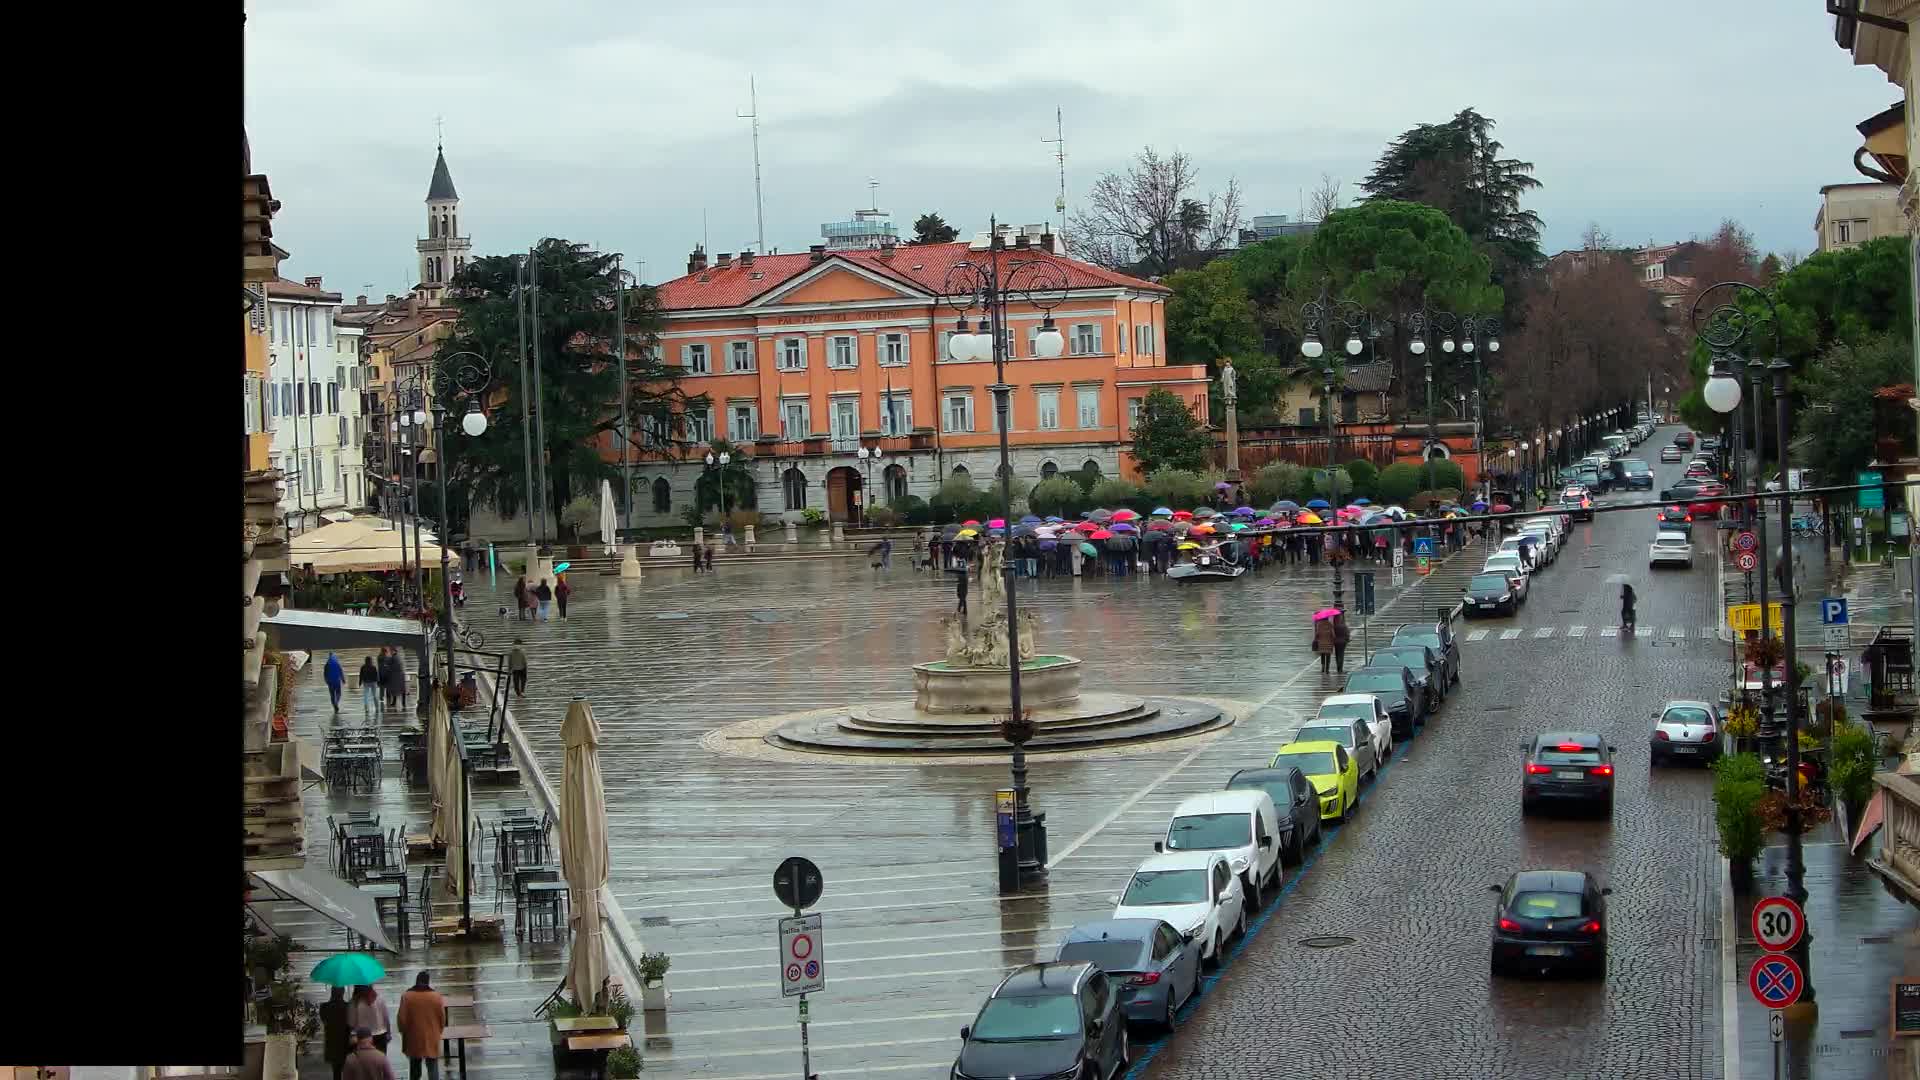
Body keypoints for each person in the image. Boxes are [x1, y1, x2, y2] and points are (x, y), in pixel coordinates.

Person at [396, 970, 448, 1080]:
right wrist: (438, 1031)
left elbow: (401, 1019)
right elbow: (442, 1019)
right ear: (428, 982)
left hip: (413, 1037)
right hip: (432, 1036)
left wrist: (403, 1032)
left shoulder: (407, 996)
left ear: (416, 981)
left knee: (414, 1067)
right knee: (432, 1067)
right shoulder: (436, 997)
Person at [347, 985, 391, 1054]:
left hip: (361, 1038)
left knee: (364, 1060)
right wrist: (389, 1033)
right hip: (380, 1036)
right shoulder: (379, 999)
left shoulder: (354, 1002)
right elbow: (386, 1019)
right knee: (380, 1059)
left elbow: (351, 1023)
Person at [320, 986, 352, 1080]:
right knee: (347, 1069)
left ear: (332, 992)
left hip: (332, 1041)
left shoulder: (324, 1007)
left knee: (336, 1070)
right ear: (343, 993)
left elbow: (324, 1020)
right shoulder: (348, 1007)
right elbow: (351, 1024)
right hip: (345, 1041)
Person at [358, 656, 381, 721]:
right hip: (373, 683)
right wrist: (378, 683)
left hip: (366, 683)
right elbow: (377, 675)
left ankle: (367, 708)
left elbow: (361, 675)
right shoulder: (373, 667)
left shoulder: (363, 667)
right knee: (374, 695)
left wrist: (360, 682)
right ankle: (377, 708)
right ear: (371, 660)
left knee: (366, 696)